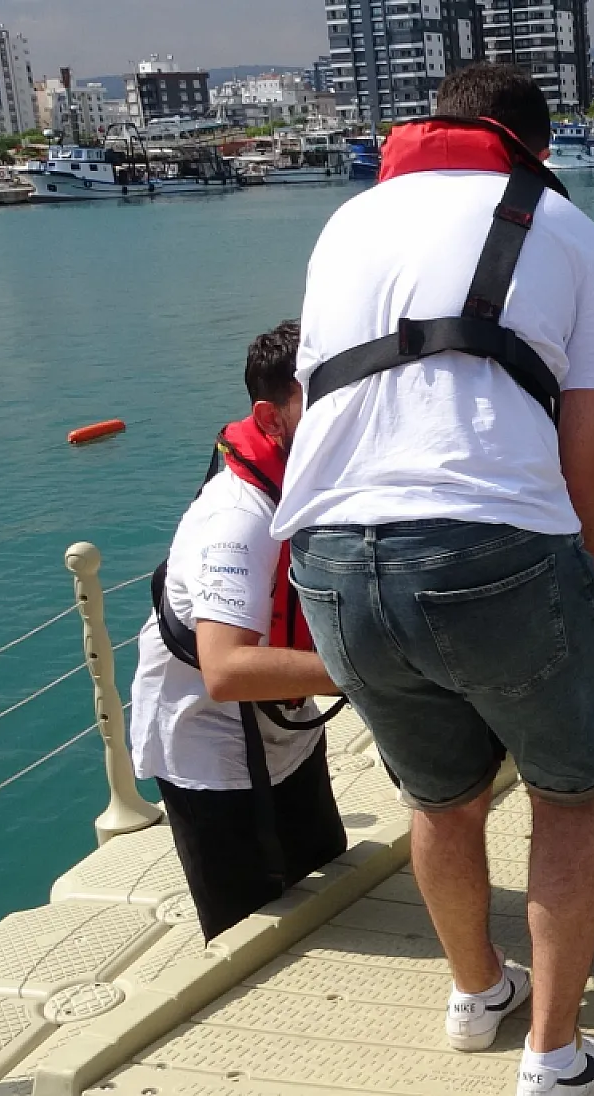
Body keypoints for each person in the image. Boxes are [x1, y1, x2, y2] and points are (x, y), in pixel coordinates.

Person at [273, 65, 594, 1096]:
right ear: (533, 146)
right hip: (493, 547)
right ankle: (554, 1058)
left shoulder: (346, 221)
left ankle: (476, 992)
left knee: (441, 800)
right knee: (567, 798)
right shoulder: (566, 228)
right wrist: (592, 581)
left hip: (332, 558)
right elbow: (582, 442)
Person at [128, 321, 347, 943]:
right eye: (323, 401)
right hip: (210, 754)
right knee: (251, 935)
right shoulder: (238, 519)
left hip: (286, 732)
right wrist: (381, 673)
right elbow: (225, 670)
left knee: (330, 893)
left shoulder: (308, 488)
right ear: (270, 416)